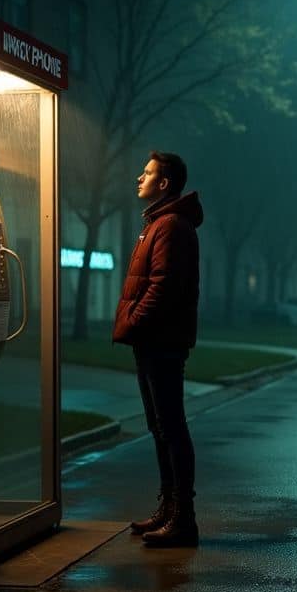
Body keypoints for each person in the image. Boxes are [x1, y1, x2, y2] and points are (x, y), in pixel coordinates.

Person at [112, 151, 203, 548]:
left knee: (171, 428)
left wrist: (133, 323)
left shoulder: (170, 227)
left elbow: (162, 287)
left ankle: (183, 518)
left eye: (146, 173)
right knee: (160, 428)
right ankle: (169, 510)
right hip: (153, 340)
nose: (139, 177)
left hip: (160, 342)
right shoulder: (160, 223)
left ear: (164, 183)